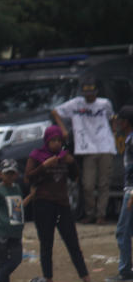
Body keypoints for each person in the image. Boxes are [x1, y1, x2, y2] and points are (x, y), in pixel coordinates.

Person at [24, 125, 99, 282]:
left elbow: (74, 177)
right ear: (47, 141)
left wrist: (72, 163)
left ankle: (86, 281)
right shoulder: (37, 156)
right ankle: (49, 281)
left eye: (59, 141)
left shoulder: (64, 157)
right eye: (53, 141)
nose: (56, 144)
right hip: (43, 204)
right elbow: (28, 178)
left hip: (62, 204)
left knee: (72, 243)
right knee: (46, 243)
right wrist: (44, 166)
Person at [51, 76, 116, 224]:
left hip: (105, 146)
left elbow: (112, 118)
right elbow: (55, 112)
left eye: (91, 93)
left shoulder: (104, 103)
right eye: (86, 94)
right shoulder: (76, 104)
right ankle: (90, 213)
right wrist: (63, 129)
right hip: (87, 148)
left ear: (96, 92)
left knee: (104, 183)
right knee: (87, 184)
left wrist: (112, 133)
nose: (89, 96)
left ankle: (101, 214)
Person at [112, 105, 133, 281]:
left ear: (126, 122)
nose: (117, 123)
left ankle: (125, 269)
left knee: (123, 230)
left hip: (131, 191)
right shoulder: (129, 139)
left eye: (119, 120)